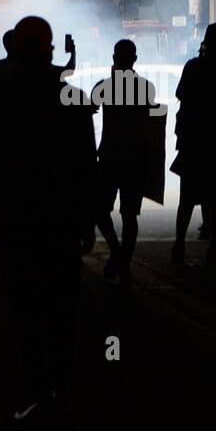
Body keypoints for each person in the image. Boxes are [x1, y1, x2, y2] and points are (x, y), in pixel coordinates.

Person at [0, 16, 98, 421]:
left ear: (16, 49)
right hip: (62, 219)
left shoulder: (0, 95)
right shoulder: (70, 98)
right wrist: (89, 218)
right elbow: (86, 163)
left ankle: (39, 389)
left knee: (25, 307)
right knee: (63, 307)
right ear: (50, 49)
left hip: (19, 217)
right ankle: (62, 388)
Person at [171, 23, 216, 265]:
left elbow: (180, 94)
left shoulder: (193, 65)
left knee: (187, 198)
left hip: (193, 140)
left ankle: (179, 245)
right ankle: (214, 248)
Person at [92, 40, 157, 283]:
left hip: (110, 156)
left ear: (114, 58)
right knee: (130, 216)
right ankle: (124, 262)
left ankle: (116, 251)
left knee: (99, 210)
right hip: (136, 159)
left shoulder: (104, 87)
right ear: (135, 58)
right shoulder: (144, 87)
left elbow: (88, 109)